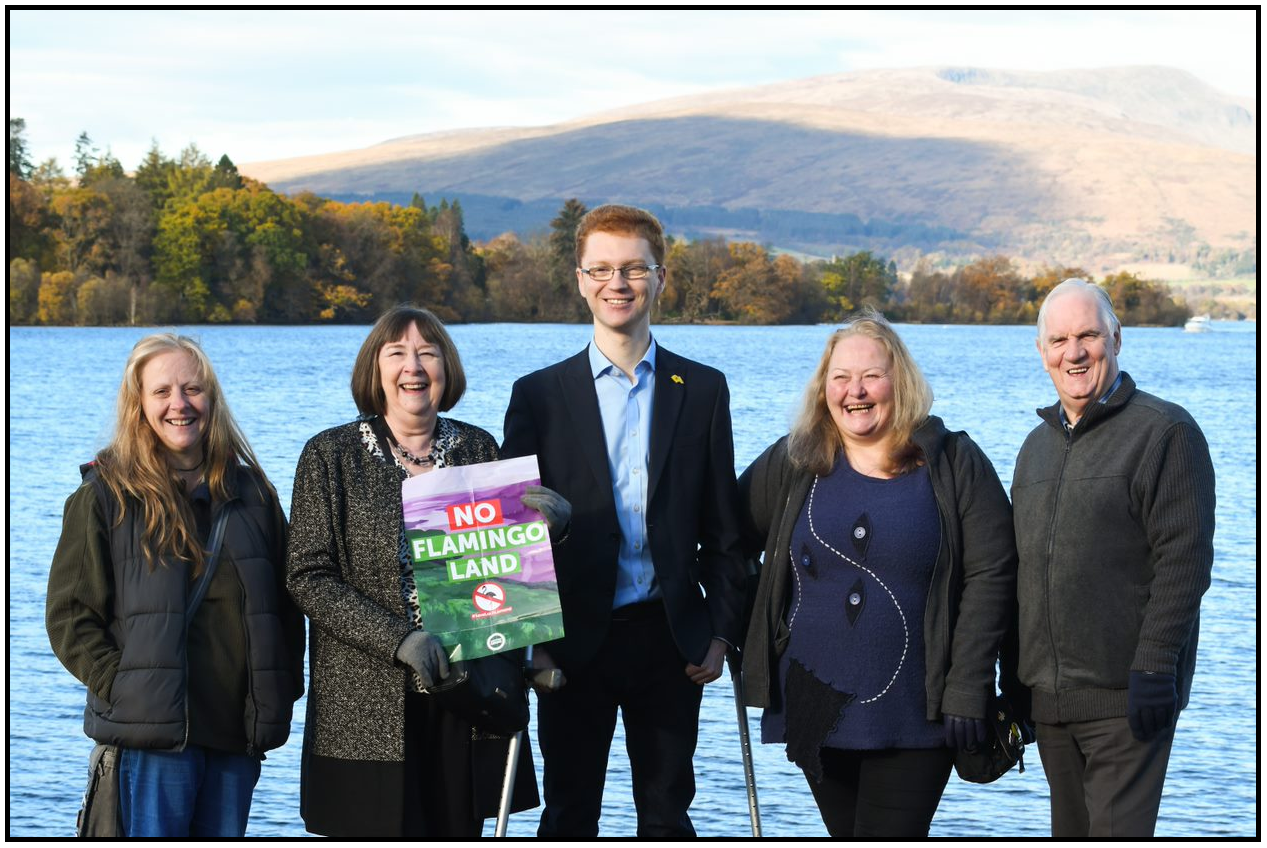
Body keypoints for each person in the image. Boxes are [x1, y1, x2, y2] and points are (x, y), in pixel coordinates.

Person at [501, 204, 748, 837]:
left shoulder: (703, 389)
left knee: (667, 815)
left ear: (660, 278)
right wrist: (528, 643)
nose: (618, 283)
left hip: (670, 641)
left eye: (634, 268)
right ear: (580, 279)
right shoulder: (539, 396)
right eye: (603, 268)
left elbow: (724, 527)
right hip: (568, 643)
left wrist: (719, 632)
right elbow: (510, 535)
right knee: (568, 815)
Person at [286, 304, 563, 837]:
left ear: (446, 369)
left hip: (467, 695)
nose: (413, 367)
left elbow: (501, 570)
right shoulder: (330, 455)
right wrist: (401, 640)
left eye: (427, 354)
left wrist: (550, 532)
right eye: (397, 354)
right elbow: (307, 577)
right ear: (376, 370)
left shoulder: (479, 448)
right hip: (364, 706)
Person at [738, 309, 1018, 838]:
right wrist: (743, 631)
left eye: (872, 376)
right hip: (814, 708)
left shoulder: (953, 461)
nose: (855, 391)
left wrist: (968, 685)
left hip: (919, 712)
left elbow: (994, 575)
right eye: (840, 378)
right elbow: (728, 536)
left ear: (901, 382)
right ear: (824, 389)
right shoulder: (797, 459)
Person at [46, 333, 304, 837]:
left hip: (235, 738)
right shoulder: (104, 496)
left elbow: (287, 607)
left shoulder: (254, 493)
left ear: (212, 398)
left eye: (192, 389)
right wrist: (122, 687)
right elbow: (69, 617)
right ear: (139, 404)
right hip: (153, 741)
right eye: (162, 391)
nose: (179, 404)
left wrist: (279, 693)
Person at [1011, 279, 1215, 837]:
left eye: (1087, 335)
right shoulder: (1036, 447)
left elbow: (1185, 561)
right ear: (1042, 351)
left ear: (1116, 339)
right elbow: (1024, 570)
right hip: (1050, 706)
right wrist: (1014, 677)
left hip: (1128, 702)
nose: (1073, 352)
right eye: (1058, 340)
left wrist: (1153, 667)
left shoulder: (1165, 432)